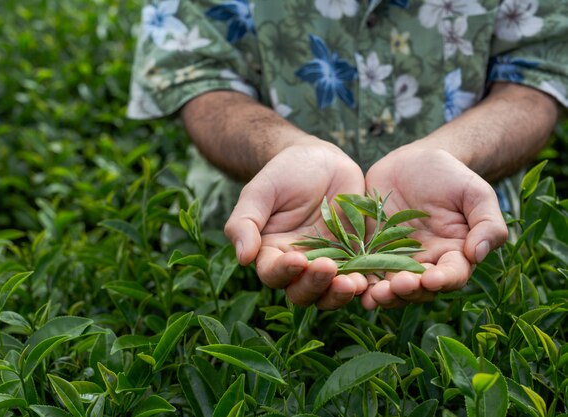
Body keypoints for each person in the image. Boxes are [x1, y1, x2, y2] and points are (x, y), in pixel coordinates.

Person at [127, 0, 567, 310]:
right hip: (256, 237)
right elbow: (201, 77)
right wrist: (285, 149)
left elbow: (538, 72)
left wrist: (450, 153)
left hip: (464, 242)